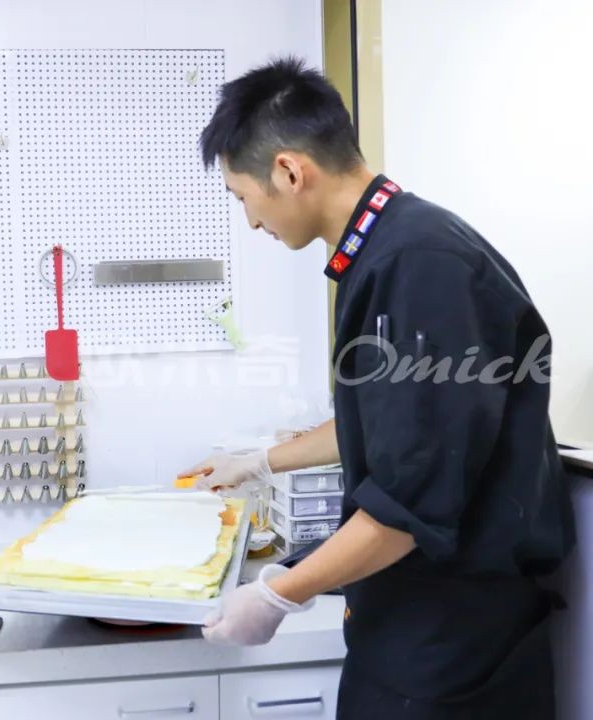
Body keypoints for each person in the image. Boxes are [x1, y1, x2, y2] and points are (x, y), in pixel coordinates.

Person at [182, 58, 575, 719]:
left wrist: (280, 593)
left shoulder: (424, 267)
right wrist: (261, 461)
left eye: (242, 197)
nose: (250, 221)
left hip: (451, 645)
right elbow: (389, 423)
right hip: (410, 624)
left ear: (289, 172)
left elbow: (407, 506)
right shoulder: (386, 251)